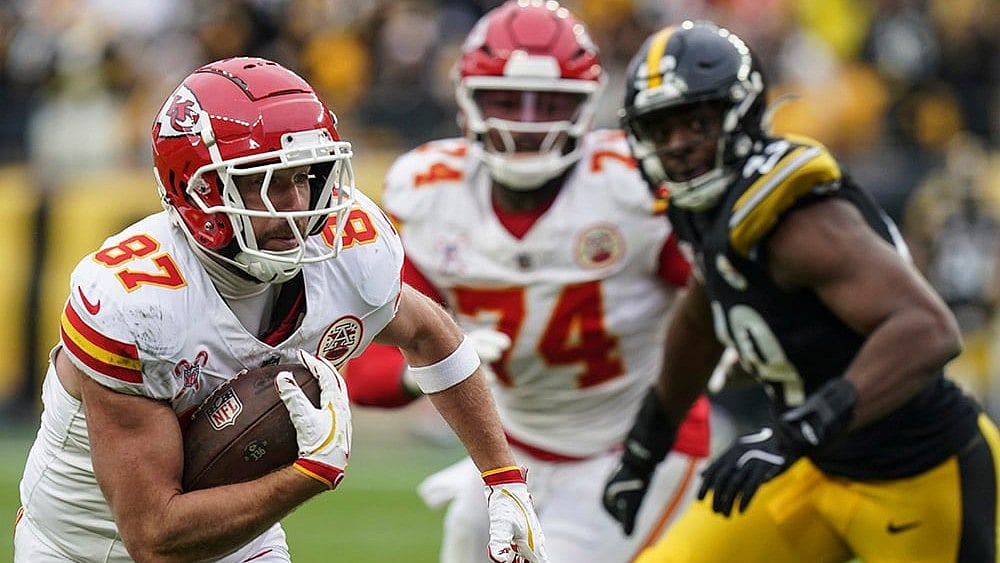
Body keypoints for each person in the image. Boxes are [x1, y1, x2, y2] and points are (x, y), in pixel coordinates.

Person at [14, 56, 548, 563]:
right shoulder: (136, 302)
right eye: (261, 183)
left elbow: (429, 333)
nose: (295, 206)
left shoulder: (345, 250)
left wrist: (503, 479)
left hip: (240, 537)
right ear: (196, 190)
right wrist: (309, 472)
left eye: (302, 177)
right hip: (80, 544)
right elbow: (154, 538)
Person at [601, 20, 1000, 563]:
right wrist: (645, 446)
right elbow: (700, 318)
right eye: (660, 129)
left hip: (918, 473)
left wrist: (793, 433)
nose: (679, 145)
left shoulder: (798, 220)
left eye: (695, 122)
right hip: (817, 464)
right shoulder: (706, 204)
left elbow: (928, 331)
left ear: (738, 114)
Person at [343, 2, 710, 561]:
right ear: (468, 101)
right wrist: (426, 375)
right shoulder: (431, 192)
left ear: (586, 106)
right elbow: (361, 358)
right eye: (506, 101)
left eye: (551, 104)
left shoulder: (631, 187)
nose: (526, 121)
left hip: (634, 442)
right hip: (509, 446)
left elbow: (718, 289)